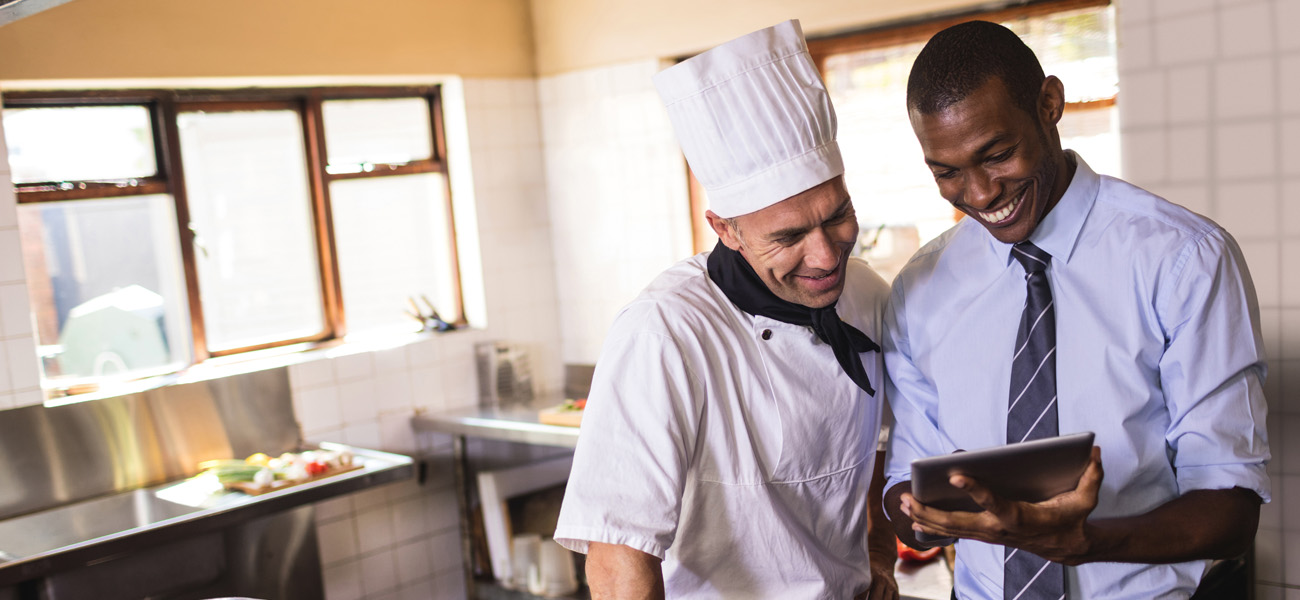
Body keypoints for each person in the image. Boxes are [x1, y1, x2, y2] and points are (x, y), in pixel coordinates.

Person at [880, 20, 1271, 599]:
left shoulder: (1183, 258)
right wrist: (934, 510)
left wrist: (1085, 541)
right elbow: (902, 485)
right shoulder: (920, 288)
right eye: (947, 172)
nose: (981, 194)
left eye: (998, 154)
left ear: (1049, 104)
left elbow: (1232, 509)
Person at [554, 20, 899, 600]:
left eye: (837, 215)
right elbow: (617, 559)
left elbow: (879, 453)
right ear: (725, 229)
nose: (825, 255)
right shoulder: (665, 332)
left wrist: (878, 557)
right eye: (788, 236)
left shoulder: (866, 293)